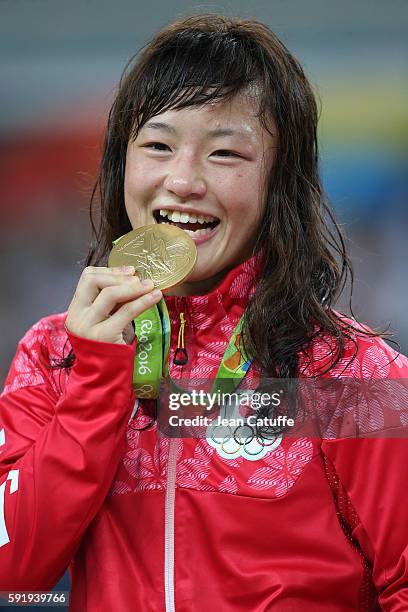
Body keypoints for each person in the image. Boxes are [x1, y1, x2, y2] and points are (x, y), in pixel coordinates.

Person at [1, 13, 407, 611]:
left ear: (281, 185)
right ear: (122, 168)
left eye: (225, 154)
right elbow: (15, 572)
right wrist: (95, 382)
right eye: (158, 145)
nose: (183, 180)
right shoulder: (54, 356)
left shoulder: (354, 377)